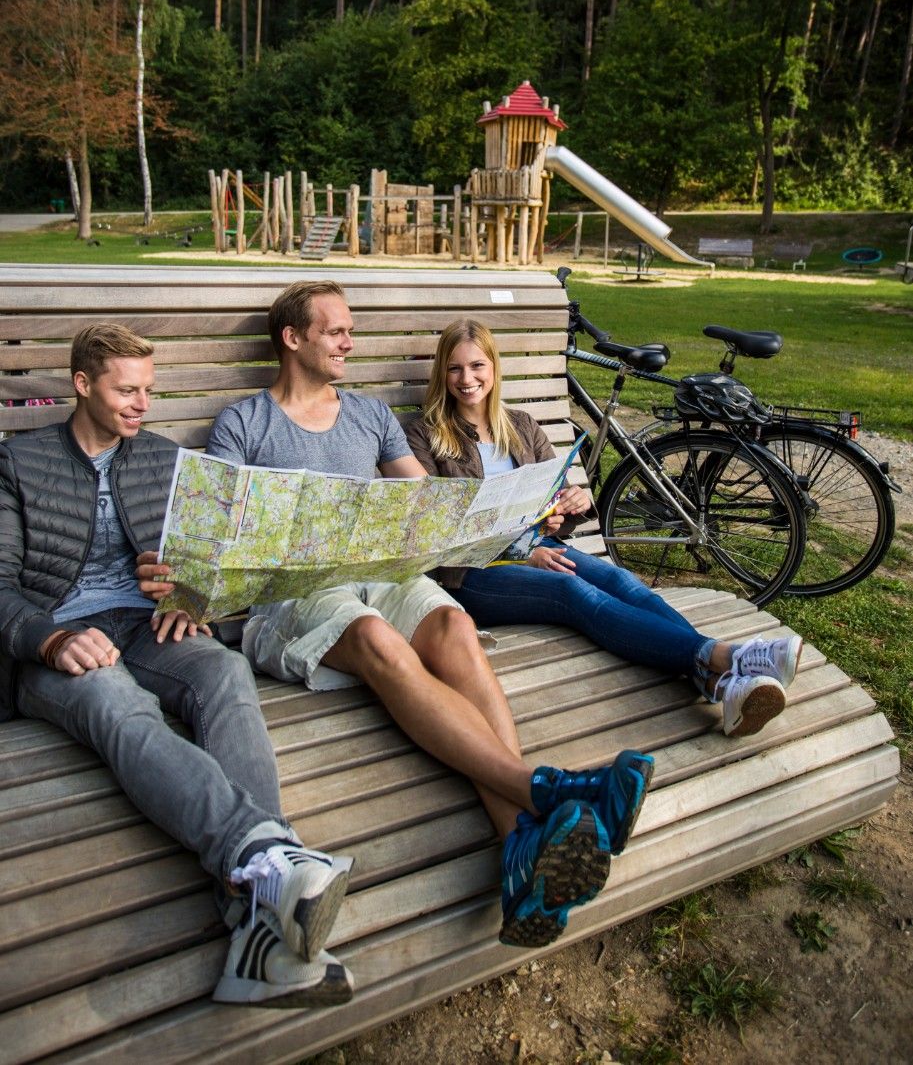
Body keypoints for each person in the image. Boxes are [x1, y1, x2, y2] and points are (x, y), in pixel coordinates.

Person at [142, 281, 655, 950]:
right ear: (292, 339)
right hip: (291, 598)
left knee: (453, 628)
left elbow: (423, 502)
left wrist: (503, 522)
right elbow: (210, 529)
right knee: (380, 641)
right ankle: (547, 792)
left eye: (350, 330)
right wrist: (187, 590)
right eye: (335, 331)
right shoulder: (244, 423)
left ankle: (519, 848)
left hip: (381, 576)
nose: (349, 342)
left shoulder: (370, 415)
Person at [0, 322, 355, 1009]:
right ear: (82, 385)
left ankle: (257, 919)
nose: (142, 404)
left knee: (223, 672)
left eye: (149, 391)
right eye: (125, 390)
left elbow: (203, 566)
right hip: (56, 641)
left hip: (143, 624)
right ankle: (266, 858)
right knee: (116, 701)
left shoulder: (161, 461)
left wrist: (190, 596)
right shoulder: (19, 463)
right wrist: (49, 640)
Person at [403, 319, 803, 739]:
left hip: (542, 546)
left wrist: (569, 505)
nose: (467, 379)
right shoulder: (424, 434)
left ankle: (717, 682)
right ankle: (730, 655)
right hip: (472, 573)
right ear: (442, 374)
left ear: (494, 368)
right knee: (572, 592)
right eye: (455, 369)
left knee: (619, 580)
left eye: (477, 366)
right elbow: (438, 530)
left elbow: (552, 502)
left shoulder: (521, 426)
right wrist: (526, 552)